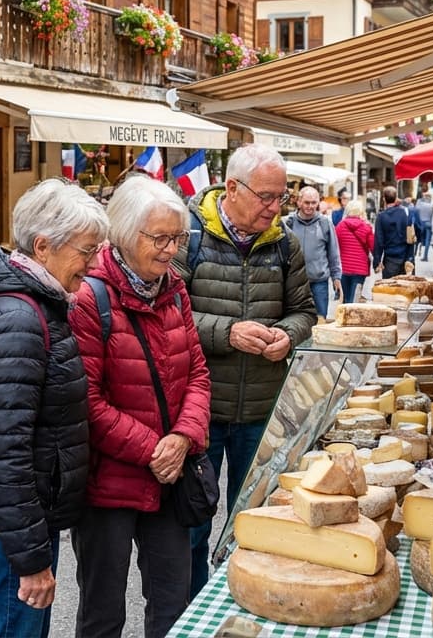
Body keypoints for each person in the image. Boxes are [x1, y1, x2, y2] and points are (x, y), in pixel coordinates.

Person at [0, 178, 107, 638]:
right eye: (85, 250)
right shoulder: (18, 320)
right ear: (43, 247)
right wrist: (31, 559)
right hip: (7, 527)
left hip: (13, 521)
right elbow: (6, 452)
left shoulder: (35, 305)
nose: (93, 263)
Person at [69, 175, 211, 638]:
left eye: (179, 237)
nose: (171, 249)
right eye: (161, 238)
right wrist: (157, 448)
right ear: (126, 235)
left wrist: (185, 436)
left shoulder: (175, 290)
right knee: (103, 612)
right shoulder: (90, 298)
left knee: (174, 603)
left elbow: (197, 375)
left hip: (169, 481)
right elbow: (87, 402)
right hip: (108, 484)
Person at [172, 143, 316, 596]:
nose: (276, 208)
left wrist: (289, 336)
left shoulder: (285, 243)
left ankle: (243, 605)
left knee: (256, 523)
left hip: (261, 410)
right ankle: (193, 610)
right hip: (201, 412)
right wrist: (227, 333)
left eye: (282, 198)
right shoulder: (187, 237)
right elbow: (165, 316)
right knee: (192, 526)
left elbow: (305, 311)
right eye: (267, 197)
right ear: (231, 188)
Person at [284, 186, 342, 320]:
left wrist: (336, 277)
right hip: (295, 283)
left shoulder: (325, 223)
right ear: (299, 202)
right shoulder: (289, 223)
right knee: (296, 320)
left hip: (319, 283)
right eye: (306, 202)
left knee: (320, 320)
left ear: (318, 203)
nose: (310, 206)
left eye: (314, 203)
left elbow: (333, 252)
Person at [336, 199, 375, 305]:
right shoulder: (366, 227)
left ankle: (344, 319)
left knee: (345, 299)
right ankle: (352, 319)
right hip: (360, 269)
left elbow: (335, 247)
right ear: (361, 211)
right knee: (355, 300)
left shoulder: (340, 226)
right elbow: (373, 247)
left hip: (343, 268)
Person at [373, 186, 413, 279]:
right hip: (406, 258)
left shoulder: (381, 217)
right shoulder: (406, 212)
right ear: (396, 198)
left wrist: (377, 262)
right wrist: (410, 258)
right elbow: (411, 234)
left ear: (384, 199)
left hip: (390, 259)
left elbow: (379, 241)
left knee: (389, 290)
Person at [417, 192, 433, 261]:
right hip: (429, 223)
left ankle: (417, 252)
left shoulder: (420, 204)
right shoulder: (431, 205)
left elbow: (416, 212)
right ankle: (425, 256)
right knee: (428, 241)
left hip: (421, 223)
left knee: (418, 239)